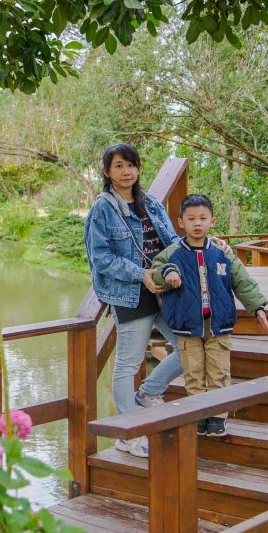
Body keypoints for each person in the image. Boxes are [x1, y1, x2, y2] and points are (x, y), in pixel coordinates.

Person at [84, 143, 185, 459]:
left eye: (130, 165)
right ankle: (127, 434)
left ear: (138, 168)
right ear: (107, 172)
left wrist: (205, 246)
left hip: (164, 290)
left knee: (189, 346)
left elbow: (171, 243)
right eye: (117, 166)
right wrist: (140, 274)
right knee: (127, 364)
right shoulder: (102, 209)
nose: (125, 171)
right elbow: (100, 257)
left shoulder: (151, 203)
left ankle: (148, 394)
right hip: (130, 293)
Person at [151, 194, 268, 437]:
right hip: (187, 326)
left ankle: (217, 416)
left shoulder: (221, 252)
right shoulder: (173, 252)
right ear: (181, 222)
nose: (197, 223)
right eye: (191, 218)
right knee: (193, 373)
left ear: (212, 221)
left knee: (219, 371)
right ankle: (199, 414)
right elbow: (156, 271)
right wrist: (169, 273)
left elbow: (242, 280)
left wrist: (257, 307)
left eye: (203, 218)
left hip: (219, 324)